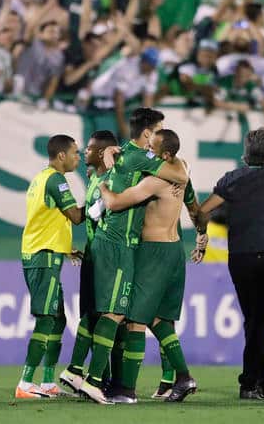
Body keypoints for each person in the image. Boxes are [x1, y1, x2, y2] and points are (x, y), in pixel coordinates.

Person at [79, 108, 188, 405]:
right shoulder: (155, 162)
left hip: (145, 249)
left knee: (132, 319)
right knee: (155, 318)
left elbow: (113, 202)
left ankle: (118, 386)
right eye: (157, 129)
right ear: (148, 134)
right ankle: (175, 378)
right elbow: (184, 181)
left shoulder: (147, 167)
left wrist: (104, 180)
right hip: (172, 249)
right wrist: (201, 230)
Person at [199, 128, 264, 400]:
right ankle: (249, 382)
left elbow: (203, 210)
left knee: (254, 321)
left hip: (240, 257)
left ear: (247, 149)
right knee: (260, 321)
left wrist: (201, 234)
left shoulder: (232, 179)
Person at [16, 134, 85, 399]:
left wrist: (66, 247)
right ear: (61, 156)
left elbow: (46, 218)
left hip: (47, 252)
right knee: (47, 318)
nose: (77, 157)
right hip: (42, 256)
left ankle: (46, 383)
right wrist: (102, 199)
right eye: (75, 153)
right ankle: (25, 383)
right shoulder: (56, 180)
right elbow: (76, 217)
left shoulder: (41, 178)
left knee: (58, 319)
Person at [59, 130, 118, 392]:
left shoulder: (106, 179)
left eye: (91, 149)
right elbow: (87, 214)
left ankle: (79, 370)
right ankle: (84, 373)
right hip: (101, 255)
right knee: (102, 314)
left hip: (99, 254)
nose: (85, 152)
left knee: (94, 314)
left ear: (105, 152)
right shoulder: (99, 179)